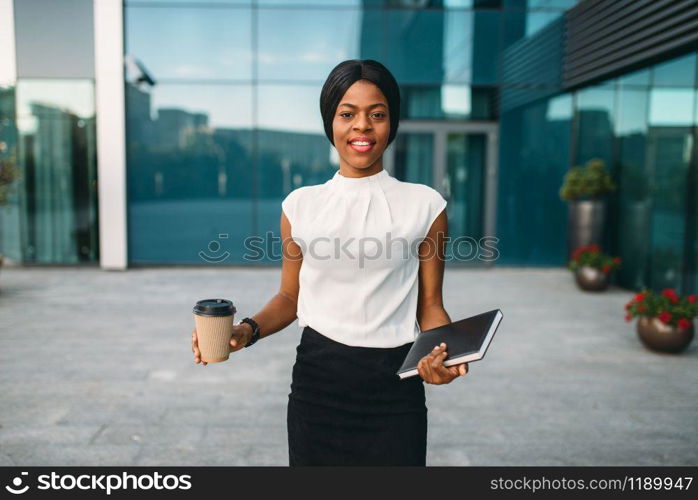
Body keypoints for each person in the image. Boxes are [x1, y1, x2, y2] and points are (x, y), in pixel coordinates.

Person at [192, 59, 468, 466]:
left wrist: (444, 353)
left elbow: (429, 304)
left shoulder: (426, 205)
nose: (362, 126)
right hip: (318, 386)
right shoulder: (300, 205)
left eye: (377, 114)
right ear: (330, 123)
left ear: (391, 123)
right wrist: (244, 331)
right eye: (347, 114)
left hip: (395, 388)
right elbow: (289, 296)